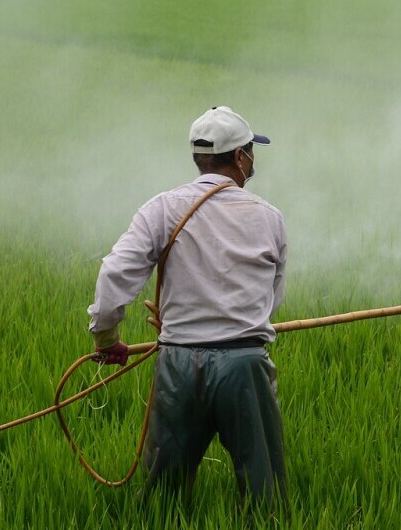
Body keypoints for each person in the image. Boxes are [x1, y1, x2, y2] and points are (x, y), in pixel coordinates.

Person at [86, 106, 289, 514]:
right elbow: (271, 300)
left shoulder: (162, 208)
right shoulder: (269, 218)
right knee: (264, 494)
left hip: (178, 363)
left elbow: (115, 273)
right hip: (245, 365)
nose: (252, 160)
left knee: (164, 498)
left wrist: (107, 338)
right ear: (239, 157)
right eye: (250, 151)